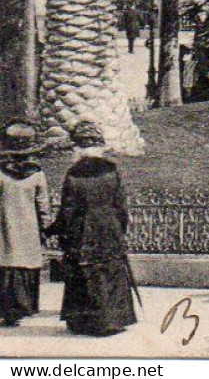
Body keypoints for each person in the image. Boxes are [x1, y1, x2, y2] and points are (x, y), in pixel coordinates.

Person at [48, 123, 136, 337]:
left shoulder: (74, 174)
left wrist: (56, 230)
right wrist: (120, 228)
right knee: (110, 270)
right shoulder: (112, 171)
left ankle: (85, 321)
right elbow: (121, 206)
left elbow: (68, 209)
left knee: (84, 272)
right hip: (110, 228)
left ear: (77, 148)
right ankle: (114, 319)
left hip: (83, 231)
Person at [0, 124, 49, 327]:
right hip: (28, 228)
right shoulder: (37, 174)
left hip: (4, 226)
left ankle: (6, 308)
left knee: (5, 262)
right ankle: (22, 307)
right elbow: (43, 204)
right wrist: (45, 227)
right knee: (24, 263)